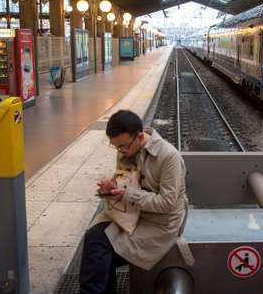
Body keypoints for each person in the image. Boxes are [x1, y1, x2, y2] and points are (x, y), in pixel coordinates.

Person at [79, 110, 187, 294]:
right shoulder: (126, 150)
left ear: (139, 136)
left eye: (122, 146)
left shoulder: (169, 156)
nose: (120, 152)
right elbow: (126, 183)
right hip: (130, 217)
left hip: (159, 225)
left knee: (99, 250)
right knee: (94, 240)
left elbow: (166, 203)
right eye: (116, 147)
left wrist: (126, 195)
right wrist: (112, 188)